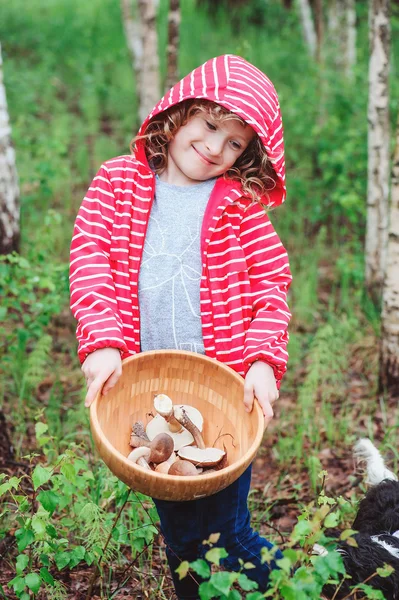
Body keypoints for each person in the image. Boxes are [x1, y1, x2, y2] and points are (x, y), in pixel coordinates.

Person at [70, 54, 291, 599]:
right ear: (179, 112)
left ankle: (317, 580)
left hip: (222, 393)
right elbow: (90, 257)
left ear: (250, 154)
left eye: (236, 142)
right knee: (179, 532)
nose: (216, 148)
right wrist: (102, 343)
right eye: (210, 126)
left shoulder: (239, 205)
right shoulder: (118, 183)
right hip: (153, 392)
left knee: (227, 533)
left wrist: (263, 360)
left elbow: (271, 285)